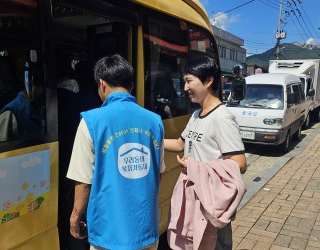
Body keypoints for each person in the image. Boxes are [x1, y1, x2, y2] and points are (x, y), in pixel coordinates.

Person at [67, 54, 165, 249]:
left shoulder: (91, 121)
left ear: (102, 84)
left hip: (107, 232)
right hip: (146, 229)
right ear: (131, 85)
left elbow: (84, 181)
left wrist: (75, 217)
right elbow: (157, 173)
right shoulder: (155, 121)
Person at [164, 55, 247, 250]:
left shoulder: (222, 118)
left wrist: (196, 167)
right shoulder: (196, 115)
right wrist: (151, 139)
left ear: (208, 81)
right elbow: (179, 144)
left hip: (212, 201)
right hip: (196, 197)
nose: (185, 88)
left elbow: (240, 164)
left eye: (189, 81)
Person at [57, 58, 101, 250]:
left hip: (61, 164)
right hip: (89, 165)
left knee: (71, 210)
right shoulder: (91, 99)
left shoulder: (53, 98)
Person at [0, 56, 44, 142]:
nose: (42, 92)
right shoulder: (10, 114)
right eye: (40, 87)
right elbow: (2, 151)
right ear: (30, 84)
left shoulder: (37, 108)